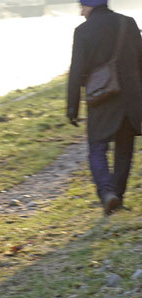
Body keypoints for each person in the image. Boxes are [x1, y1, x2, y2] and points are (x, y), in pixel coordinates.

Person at [67, 0, 142, 215]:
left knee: (97, 148)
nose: (81, 12)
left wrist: (72, 108)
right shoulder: (128, 23)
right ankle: (116, 197)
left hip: (101, 99)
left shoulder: (83, 31)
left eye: (82, 6)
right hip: (130, 99)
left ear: (91, 5)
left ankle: (107, 192)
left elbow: (76, 70)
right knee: (124, 151)